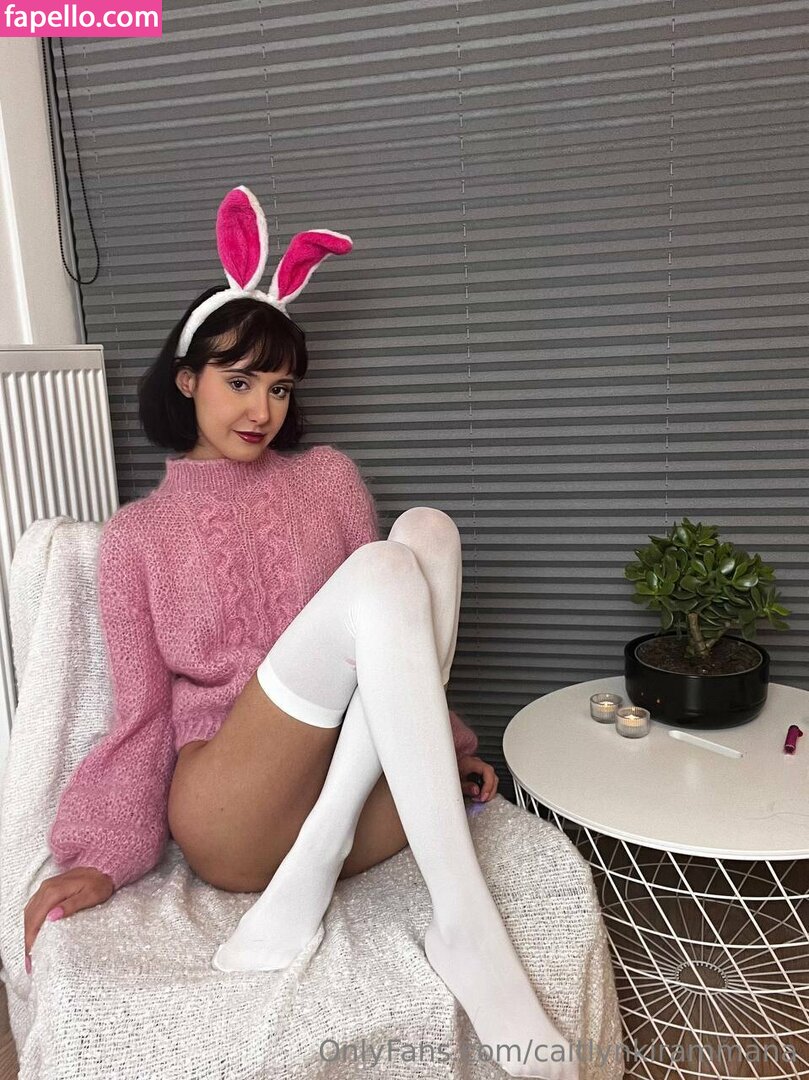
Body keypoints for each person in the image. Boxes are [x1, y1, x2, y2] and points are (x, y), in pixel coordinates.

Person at [23, 188, 577, 1080]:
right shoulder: (136, 537)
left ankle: (316, 867)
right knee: (386, 569)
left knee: (426, 533)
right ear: (186, 379)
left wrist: (445, 745)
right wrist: (103, 859)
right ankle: (466, 929)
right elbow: (140, 715)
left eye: (278, 387)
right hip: (234, 812)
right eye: (239, 381)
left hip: (348, 807)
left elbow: (393, 645)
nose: (262, 409)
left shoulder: (328, 480)